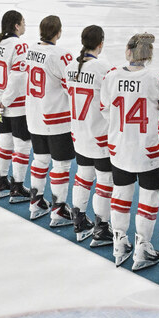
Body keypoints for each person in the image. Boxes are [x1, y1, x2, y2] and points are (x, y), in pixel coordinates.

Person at [100, 33, 159, 270]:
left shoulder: (111, 76)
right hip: (149, 149)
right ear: (149, 54)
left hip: (120, 146)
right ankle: (143, 246)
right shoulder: (158, 79)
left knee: (121, 194)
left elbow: (105, 109)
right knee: (149, 198)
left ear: (128, 51)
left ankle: (119, 241)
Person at [23, 15, 76, 225]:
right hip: (57, 118)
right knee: (61, 164)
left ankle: (35, 202)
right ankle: (59, 209)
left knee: (40, 159)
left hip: (34, 116)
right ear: (58, 32)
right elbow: (70, 86)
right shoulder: (61, 55)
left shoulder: (29, 50)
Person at [65, 25, 116, 245]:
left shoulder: (70, 66)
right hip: (99, 133)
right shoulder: (103, 67)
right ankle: (101, 227)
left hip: (79, 132)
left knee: (83, 176)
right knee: (104, 180)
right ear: (100, 43)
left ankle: (79, 220)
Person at [0, 10, 34, 203]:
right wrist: (5, 101)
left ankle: (1, 181)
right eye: (23, 22)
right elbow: (18, 77)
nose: (25, 25)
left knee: (5, 139)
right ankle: (17, 186)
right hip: (14, 104)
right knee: (22, 144)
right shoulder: (19, 45)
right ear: (16, 25)